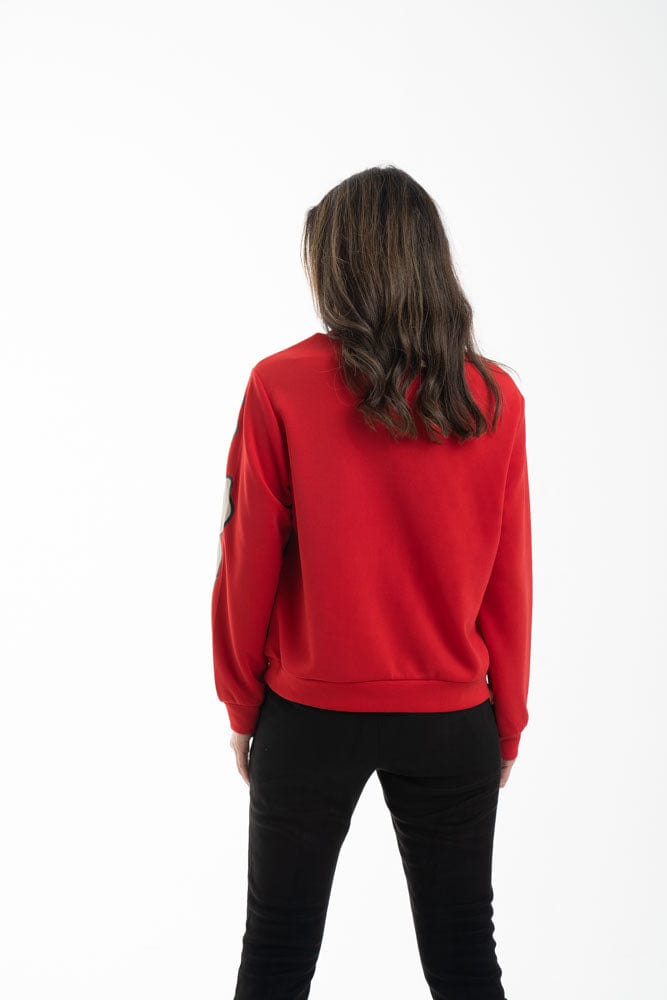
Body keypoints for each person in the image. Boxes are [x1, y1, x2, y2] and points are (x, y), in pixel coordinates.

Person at [210, 164, 533, 999]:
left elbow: (248, 563)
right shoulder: (493, 396)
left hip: (309, 716)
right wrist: (506, 721)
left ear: (339, 264)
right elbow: (510, 580)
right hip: (452, 720)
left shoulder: (279, 385)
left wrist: (241, 705)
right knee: (465, 961)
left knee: (274, 957)